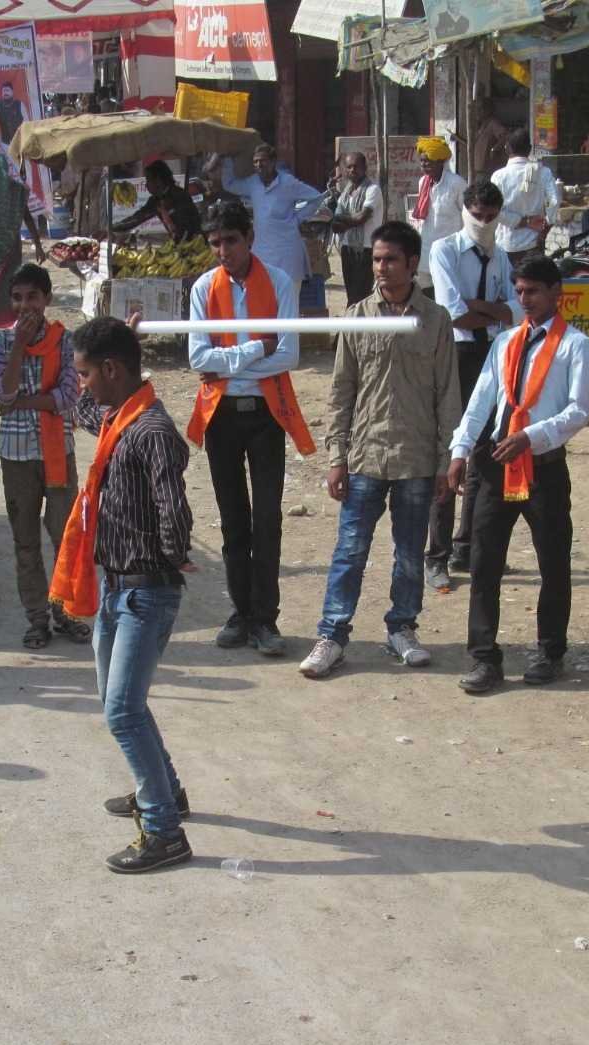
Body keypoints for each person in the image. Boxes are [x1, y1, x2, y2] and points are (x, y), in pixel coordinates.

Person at [52, 317, 195, 874]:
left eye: (86, 373)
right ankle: (166, 792)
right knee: (125, 705)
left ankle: (164, 831)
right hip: (117, 588)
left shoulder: (152, 430)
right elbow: (84, 409)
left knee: (122, 711)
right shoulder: (120, 417)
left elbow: (172, 507)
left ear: (111, 370)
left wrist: (173, 552)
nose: (81, 384)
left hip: (145, 591)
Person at [300, 220, 459, 679]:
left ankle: (402, 629)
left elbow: (448, 395)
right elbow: (341, 391)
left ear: (412, 263)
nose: (382, 268)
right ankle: (332, 635)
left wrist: (446, 462)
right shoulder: (357, 317)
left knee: (409, 553)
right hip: (365, 455)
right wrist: (337, 458)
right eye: (376, 259)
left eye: (391, 259)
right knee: (350, 551)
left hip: (416, 458)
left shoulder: (435, 320)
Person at [450, 256, 589, 695]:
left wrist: (531, 436)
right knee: (484, 562)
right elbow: (481, 400)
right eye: (519, 292)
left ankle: (550, 651)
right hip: (497, 463)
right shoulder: (506, 341)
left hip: (543, 467)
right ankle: (484, 657)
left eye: (533, 291)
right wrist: (459, 450)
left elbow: (578, 411)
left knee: (553, 562)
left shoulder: (575, 345)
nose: (525, 299)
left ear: (556, 293)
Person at [186, 200, 316, 655]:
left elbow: (290, 354)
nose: (223, 250)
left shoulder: (279, 282)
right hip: (221, 414)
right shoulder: (203, 287)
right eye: (215, 243)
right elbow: (197, 358)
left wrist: (228, 365)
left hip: (266, 414)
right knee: (233, 518)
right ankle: (240, 613)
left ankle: (265, 619)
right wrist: (256, 350)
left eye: (231, 240)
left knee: (267, 520)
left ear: (250, 239)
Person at [0, 263, 91, 650]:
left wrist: (19, 403)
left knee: (65, 538)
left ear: (46, 299)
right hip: (16, 455)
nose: (24, 305)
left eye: (32, 297)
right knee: (26, 541)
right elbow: (4, 392)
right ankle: (36, 618)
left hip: (57, 451)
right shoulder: (0, 342)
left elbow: (68, 397)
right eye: (17, 298)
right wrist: (19, 346)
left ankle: (64, 612)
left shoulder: (65, 341)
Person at [425, 179, 523, 593]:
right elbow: (453, 312)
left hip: (492, 354)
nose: (483, 222)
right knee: (451, 448)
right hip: (455, 354)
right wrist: (495, 311)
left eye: (490, 216)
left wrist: (483, 308)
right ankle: (437, 553)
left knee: (484, 450)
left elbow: (516, 310)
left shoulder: (501, 257)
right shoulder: (444, 249)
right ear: (465, 211)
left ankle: (468, 546)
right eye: (477, 215)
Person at [223, 143, 326, 293]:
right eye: (255, 162)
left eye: (263, 161)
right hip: (262, 250)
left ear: (272, 162)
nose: (259, 165)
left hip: (287, 251)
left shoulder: (287, 182)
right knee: (261, 299)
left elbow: (316, 197)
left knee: (288, 299)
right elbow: (229, 184)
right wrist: (227, 159)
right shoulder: (253, 183)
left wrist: (297, 219)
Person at [492, 128, 563, 266]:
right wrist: (545, 226)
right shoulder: (543, 172)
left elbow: (495, 211)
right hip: (534, 242)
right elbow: (554, 201)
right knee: (534, 279)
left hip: (507, 244)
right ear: (530, 149)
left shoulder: (499, 176)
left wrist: (522, 222)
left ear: (507, 148)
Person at [412, 136, 465, 291]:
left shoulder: (457, 183)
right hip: (426, 249)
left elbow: (467, 215)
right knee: (426, 292)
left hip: (449, 250)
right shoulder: (423, 182)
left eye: (428, 161)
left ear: (440, 162)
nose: (424, 164)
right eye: (422, 161)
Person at [330, 152, 382, 306]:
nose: (352, 170)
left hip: (366, 249)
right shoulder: (345, 194)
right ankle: (352, 320)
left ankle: (358, 321)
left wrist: (342, 220)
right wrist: (343, 221)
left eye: (356, 166)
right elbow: (336, 224)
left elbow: (361, 218)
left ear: (364, 168)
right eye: (349, 167)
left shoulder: (372, 190)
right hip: (348, 248)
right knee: (351, 294)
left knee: (361, 295)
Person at [111, 158, 202, 243]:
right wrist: (113, 227)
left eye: (148, 180)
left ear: (158, 180)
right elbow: (137, 218)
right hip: (177, 243)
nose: (146, 185)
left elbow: (188, 225)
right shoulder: (155, 200)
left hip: (195, 242)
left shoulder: (179, 195)